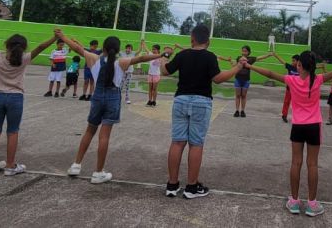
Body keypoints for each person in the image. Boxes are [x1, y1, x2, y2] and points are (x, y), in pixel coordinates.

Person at [248, 52, 332, 216]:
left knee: (295, 163)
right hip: (313, 127)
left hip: (298, 126)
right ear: (312, 67)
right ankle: (312, 204)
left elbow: (269, 73)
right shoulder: (317, 79)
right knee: (312, 164)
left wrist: (249, 66)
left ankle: (294, 202)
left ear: (299, 66)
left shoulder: (292, 80)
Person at [59, 33, 162, 183]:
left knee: (89, 130)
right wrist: (160, 55)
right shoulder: (121, 62)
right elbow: (141, 58)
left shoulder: (94, 59)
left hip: (97, 97)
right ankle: (98, 172)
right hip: (113, 98)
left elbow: (76, 48)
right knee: (104, 136)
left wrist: (62, 37)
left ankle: (76, 165)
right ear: (118, 49)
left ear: (104, 48)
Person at [161, 24, 243, 199]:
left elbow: (165, 70)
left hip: (181, 100)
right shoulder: (210, 57)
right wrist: (237, 68)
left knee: (177, 142)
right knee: (196, 144)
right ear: (208, 41)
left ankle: (172, 185)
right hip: (201, 102)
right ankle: (191, 187)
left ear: (192, 39)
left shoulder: (182, 55)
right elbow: (218, 79)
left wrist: (165, 55)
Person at [0, 15, 55, 176]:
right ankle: (10, 166)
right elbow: (41, 46)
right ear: (24, 47)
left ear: (7, 45)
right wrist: (55, 37)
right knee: (12, 132)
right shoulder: (24, 58)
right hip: (15, 98)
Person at [218, 45, 270, 118]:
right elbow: (234, 66)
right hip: (238, 79)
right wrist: (230, 61)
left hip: (246, 80)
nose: (244, 52)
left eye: (245, 51)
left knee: (243, 96)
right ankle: (237, 110)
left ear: (248, 52)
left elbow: (260, 57)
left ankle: (242, 111)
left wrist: (269, 55)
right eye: (243, 51)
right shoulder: (239, 58)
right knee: (237, 95)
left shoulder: (251, 59)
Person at [272, 53, 300, 122]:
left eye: (294, 61)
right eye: (292, 61)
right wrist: (276, 55)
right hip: (289, 89)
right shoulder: (290, 67)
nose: (292, 62)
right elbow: (282, 61)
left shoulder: (301, 69)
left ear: (298, 61)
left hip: (297, 90)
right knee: (286, 102)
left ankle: (297, 116)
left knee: (297, 104)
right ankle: (284, 115)